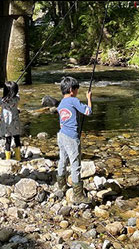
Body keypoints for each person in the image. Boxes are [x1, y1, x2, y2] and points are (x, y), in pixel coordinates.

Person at [56, 76, 92, 204]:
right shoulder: (73, 100)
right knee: (75, 164)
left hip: (61, 135)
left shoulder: (61, 104)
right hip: (71, 137)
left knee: (63, 160)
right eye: (77, 89)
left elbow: (62, 122)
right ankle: (78, 195)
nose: (77, 92)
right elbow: (88, 111)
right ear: (71, 90)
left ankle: (61, 185)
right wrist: (89, 99)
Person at [0, 81, 23, 161]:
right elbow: (17, 95)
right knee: (17, 139)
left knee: (8, 141)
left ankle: (8, 158)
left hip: (6, 124)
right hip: (15, 123)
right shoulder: (16, 99)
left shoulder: (2, 101)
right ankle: (18, 157)